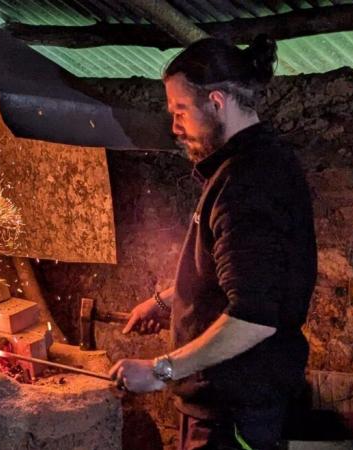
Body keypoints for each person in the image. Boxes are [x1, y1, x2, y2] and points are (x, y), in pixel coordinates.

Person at [109, 35, 317, 450]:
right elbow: (241, 273)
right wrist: (169, 301)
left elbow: (254, 317)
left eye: (181, 111)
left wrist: (160, 370)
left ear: (217, 102)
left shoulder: (248, 184)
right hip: (233, 404)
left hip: (233, 414)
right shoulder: (250, 165)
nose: (174, 127)